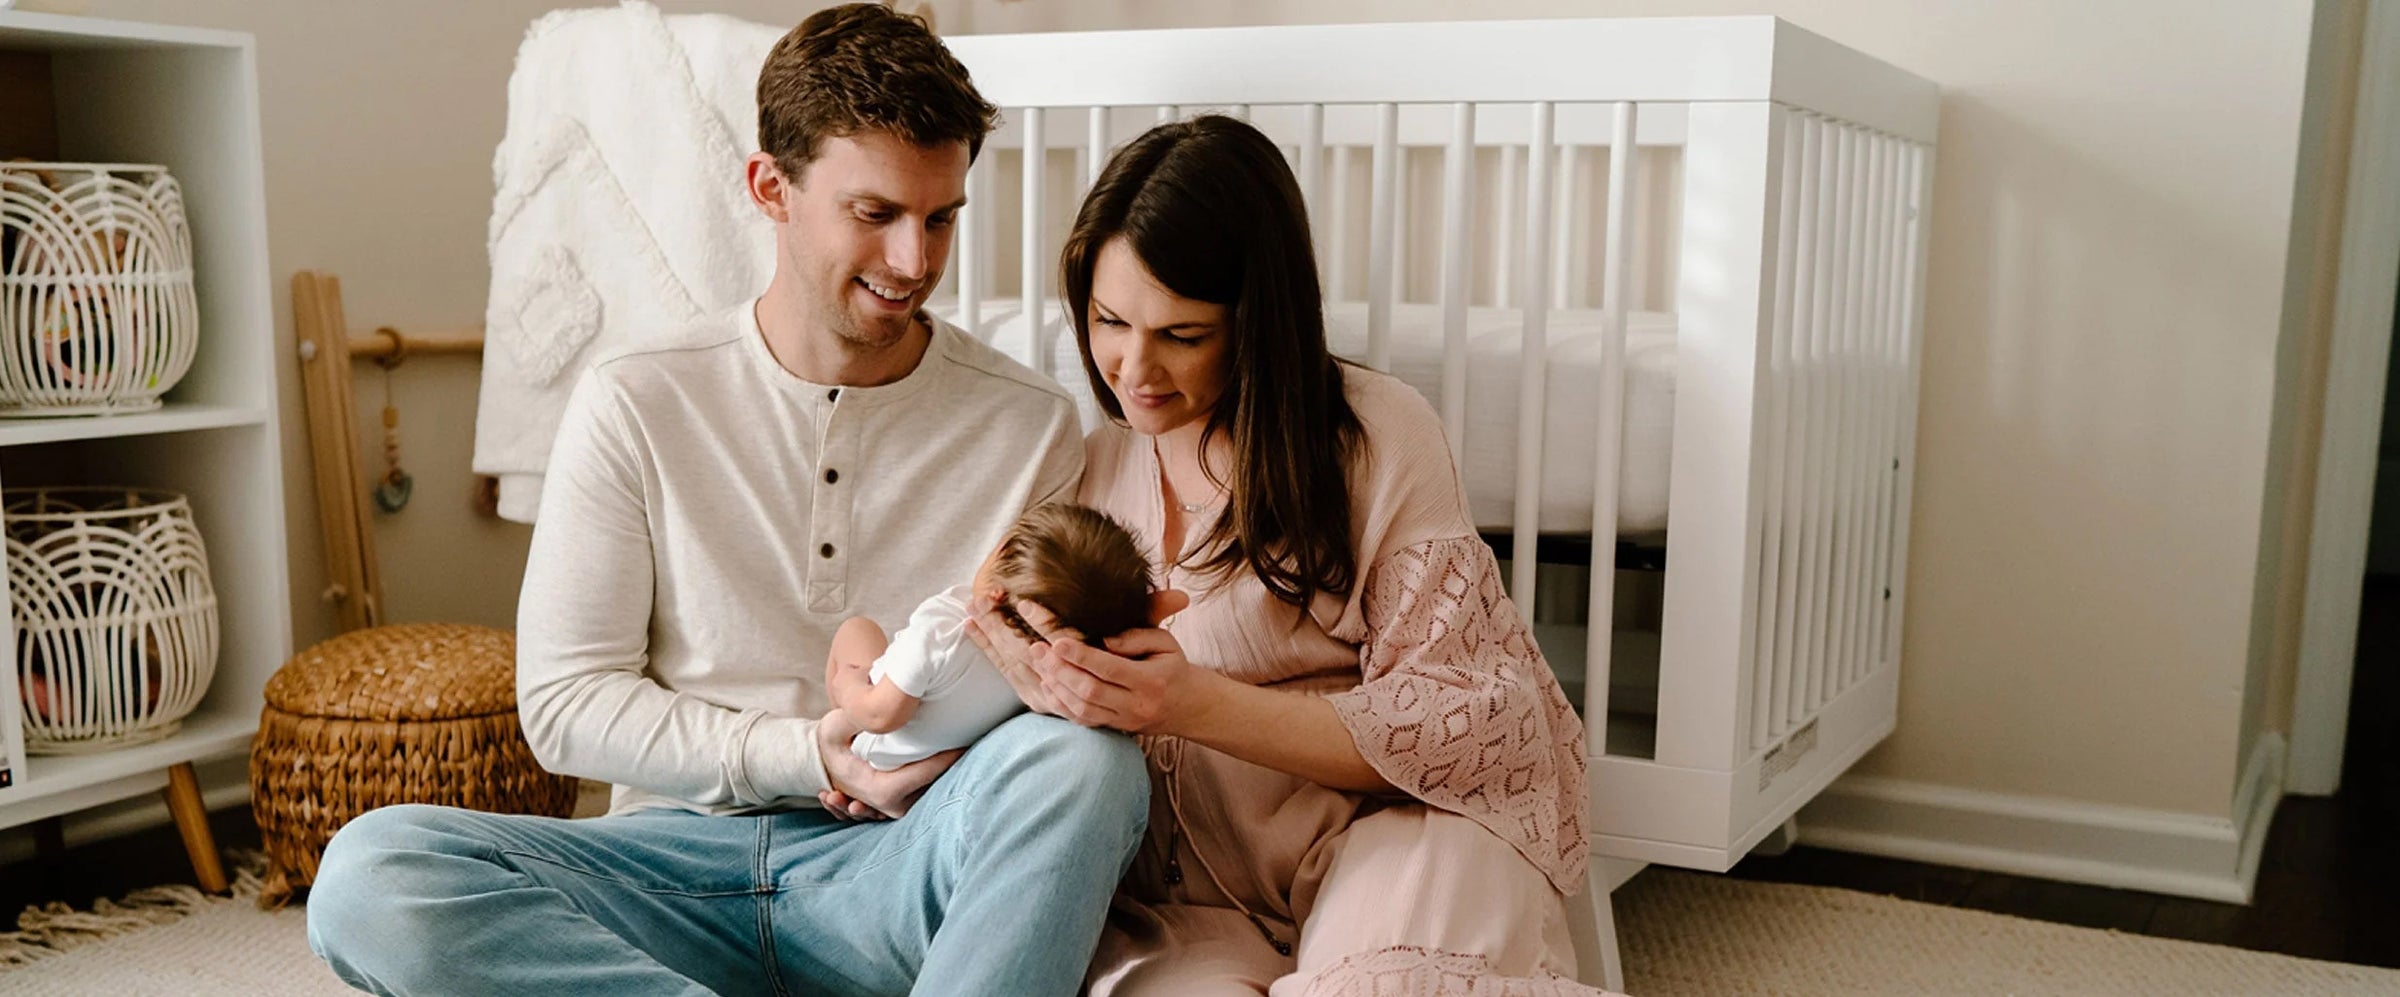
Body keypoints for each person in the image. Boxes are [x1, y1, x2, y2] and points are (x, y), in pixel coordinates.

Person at [304, 7, 1148, 995]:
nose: (916, 263)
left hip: (897, 867)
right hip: (668, 864)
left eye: (941, 216)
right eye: (875, 215)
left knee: (1089, 769)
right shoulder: (637, 396)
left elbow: (1031, 696)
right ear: (769, 188)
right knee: (375, 873)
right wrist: (806, 754)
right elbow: (565, 704)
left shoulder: (1030, 423)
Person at [964, 115, 1615, 995]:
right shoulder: (1096, 461)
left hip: (1383, 829)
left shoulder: (1374, 436)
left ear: (1257, 322)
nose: (1132, 367)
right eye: (1109, 320)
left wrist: (1195, 702)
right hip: (1183, 897)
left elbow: (1469, 721)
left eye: (1182, 335)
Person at [831, 501, 1174, 770]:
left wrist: (849, 684)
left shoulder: (943, 624)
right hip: (938, 771)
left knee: (857, 629)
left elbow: (881, 716)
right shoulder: (1049, 677)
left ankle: (831, 713)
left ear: (1004, 551)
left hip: (872, 751)